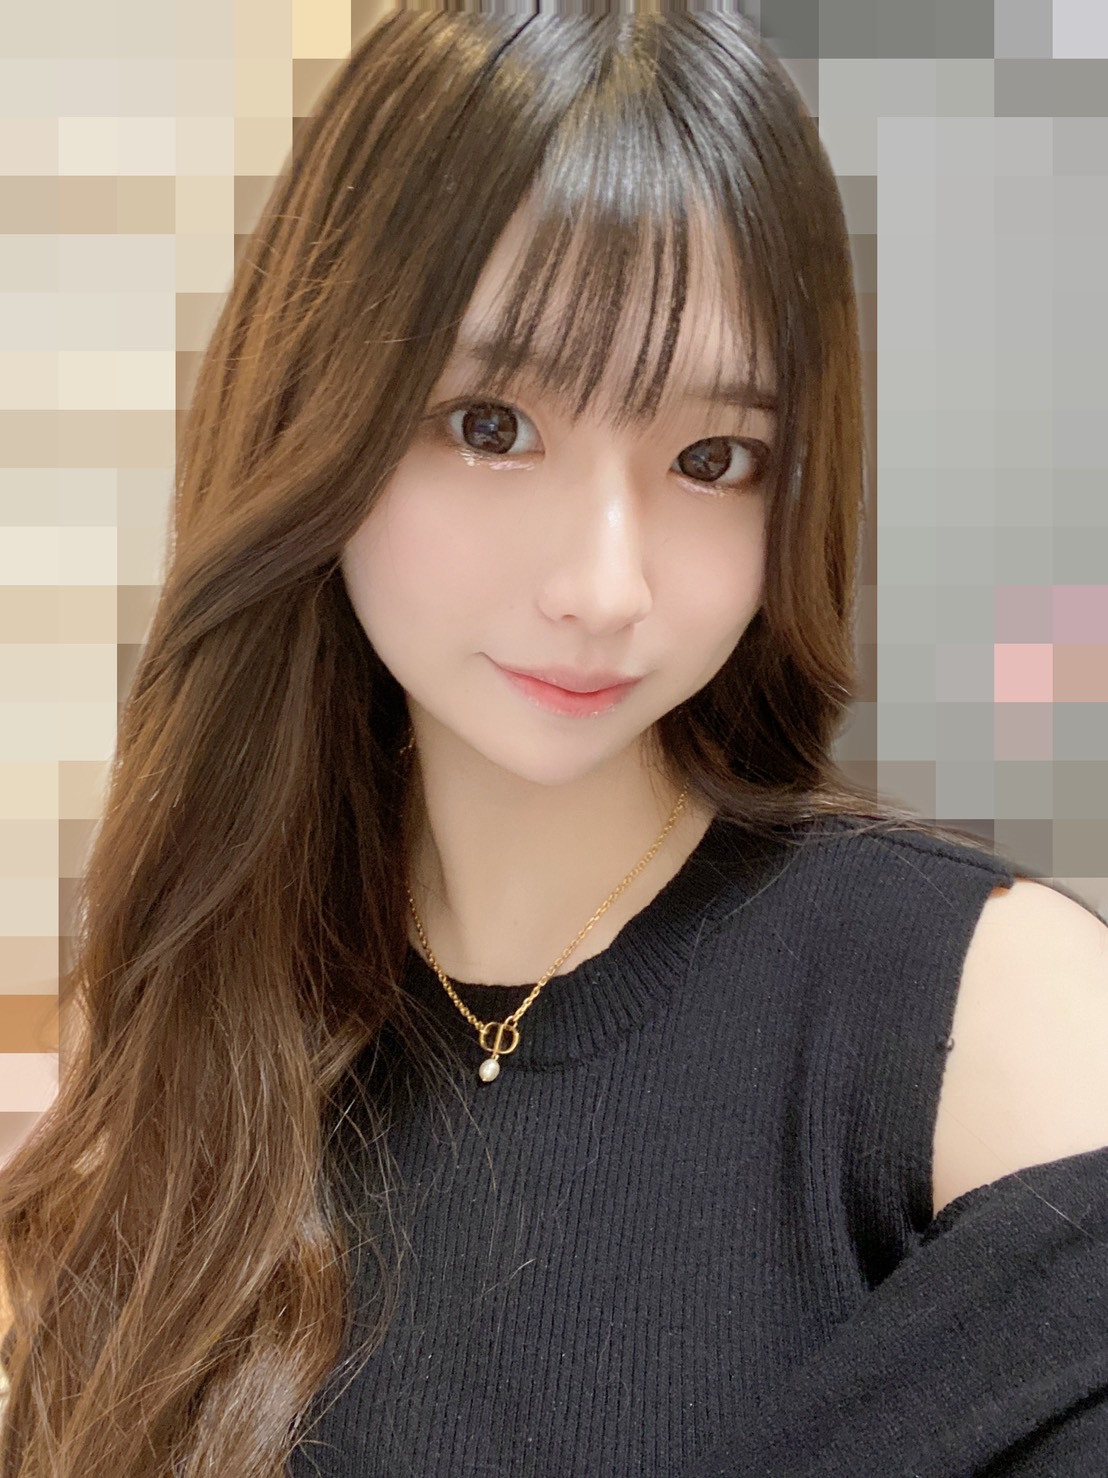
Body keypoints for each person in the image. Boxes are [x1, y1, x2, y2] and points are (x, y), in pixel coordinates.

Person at [1, 7, 1105, 1476]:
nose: (603, 586)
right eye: (491, 424)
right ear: (313, 415)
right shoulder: (170, 1067)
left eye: (712, 457)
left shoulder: (987, 1017)